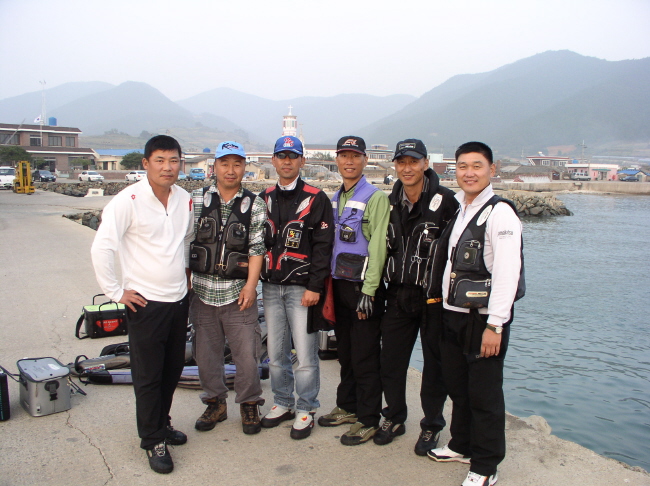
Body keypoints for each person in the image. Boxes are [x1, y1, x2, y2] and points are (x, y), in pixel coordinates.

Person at [91, 135, 193, 474]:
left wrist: (186, 278)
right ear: (146, 163)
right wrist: (115, 291)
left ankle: (161, 423)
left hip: (178, 300)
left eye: (173, 160)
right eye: (160, 160)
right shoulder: (128, 200)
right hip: (145, 304)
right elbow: (102, 247)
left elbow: (185, 241)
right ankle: (153, 440)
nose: (167, 167)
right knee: (148, 375)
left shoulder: (184, 198)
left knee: (172, 369)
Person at [428, 142, 524, 486]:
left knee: (484, 394)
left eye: (477, 166)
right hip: (453, 313)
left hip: (482, 319)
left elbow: (508, 273)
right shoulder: (462, 209)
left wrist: (495, 325)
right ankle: (462, 444)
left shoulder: (501, 214)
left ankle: (485, 465)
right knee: (458, 386)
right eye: (463, 166)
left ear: (491, 170)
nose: (469, 173)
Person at [374, 139, 458, 456]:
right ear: (395, 166)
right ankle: (394, 417)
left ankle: (432, 425)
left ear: (425, 163)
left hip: (433, 298)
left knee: (434, 366)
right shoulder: (389, 203)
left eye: (413, 161)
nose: (407, 168)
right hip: (397, 294)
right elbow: (379, 249)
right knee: (391, 361)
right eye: (401, 162)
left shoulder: (446, 202)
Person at [188, 141, 267, 436]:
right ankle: (215, 403)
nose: (230, 170)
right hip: (202, 291)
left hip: (238, 293)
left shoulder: (255, 205)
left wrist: (251, 286)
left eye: (237, 164)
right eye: (225, 163)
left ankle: (249, 403)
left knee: (246, 355)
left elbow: (257, 249)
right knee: (205, 354)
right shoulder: (196, 199)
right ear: (215, 167)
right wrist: (186, 281)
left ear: (244, 168)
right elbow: (186, 242)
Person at [258, 136, 334, 439]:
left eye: (293, 156)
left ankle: (306, 407)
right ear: (273, 161)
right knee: (275, 354)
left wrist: (315, 286)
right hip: (270, 287)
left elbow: (323, 247)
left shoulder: (317, 198)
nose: (287, 161)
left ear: (302, 161)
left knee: (305, 355)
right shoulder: (264, 198)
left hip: (302, 289)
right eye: (281, 156)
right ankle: (282, 401)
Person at [317, 135, 390, 445]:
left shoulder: (375, 197)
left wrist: (369, 292)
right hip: (339, 285)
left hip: (363, 288)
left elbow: (378, 247)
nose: (349, 161)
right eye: (344, 155)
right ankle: (348, 406)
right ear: (337, 159)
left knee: (365, 356)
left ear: (364, 160)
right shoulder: (335, 198)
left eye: (355, 156)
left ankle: (369, 418)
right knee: (345, 353)